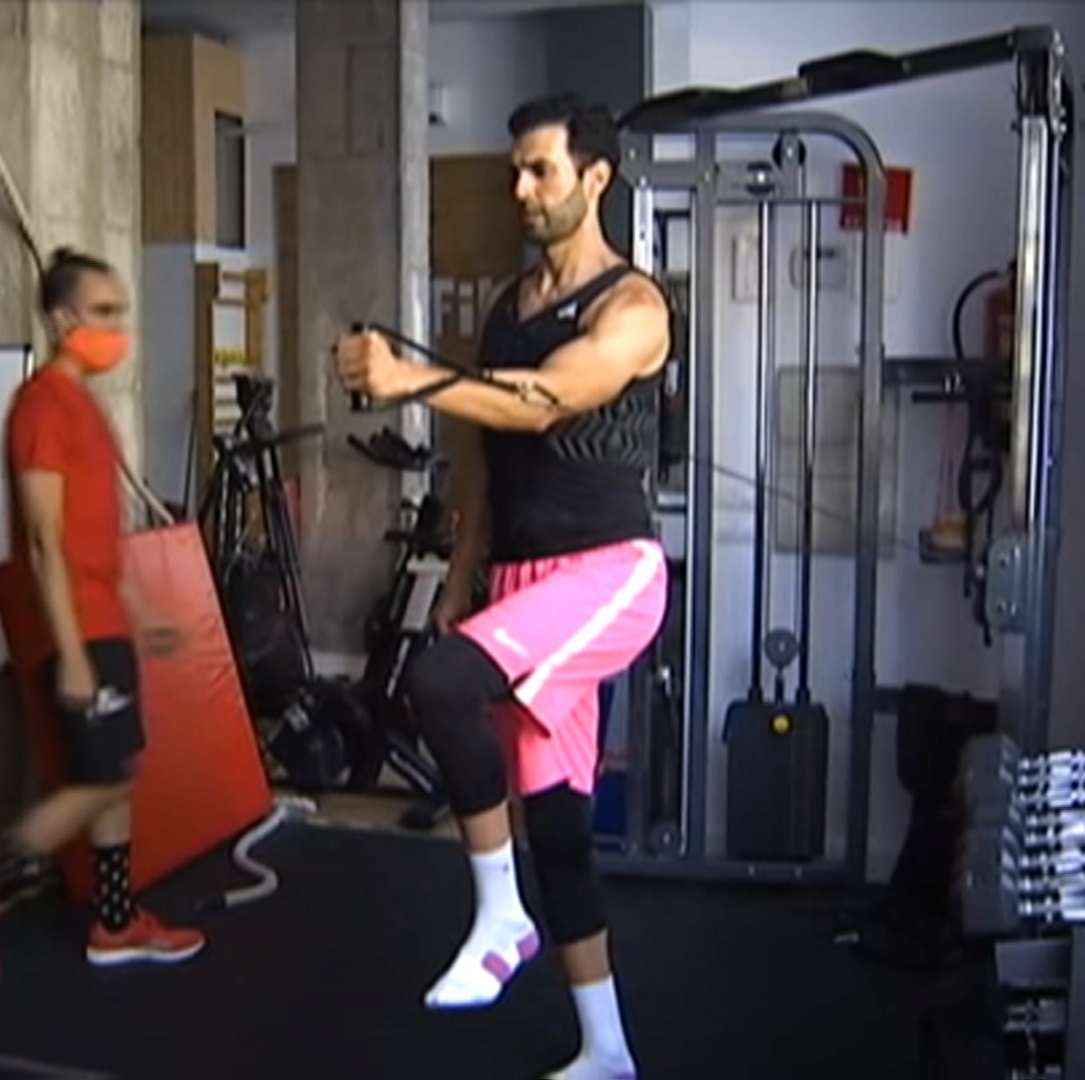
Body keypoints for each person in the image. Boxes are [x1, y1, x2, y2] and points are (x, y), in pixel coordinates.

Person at [335, 93, 670, 1080]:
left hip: (609, 573)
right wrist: (463, 571)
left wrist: (408, 381)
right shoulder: (506, 308)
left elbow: (548, 401)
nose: (521, 190)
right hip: (522, 578)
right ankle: (607, 1051)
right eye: (516, 172)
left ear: (594, 179)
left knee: (439, 685)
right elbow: (485, 451)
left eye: (542, 172)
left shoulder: (633, 306)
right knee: (559, 824)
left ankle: (498, 915)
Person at [0, 248, 206, 987]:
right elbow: (44, 540)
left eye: (119, 313)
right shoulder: (41, 406)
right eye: (103, 313)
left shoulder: (87, 409)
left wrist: (139, 613)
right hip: (73, 628)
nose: (116, 328)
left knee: (115, 774)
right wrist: (71, 654)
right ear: (62, 318)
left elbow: (96, 542)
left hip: (104, 621)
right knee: (96, 782)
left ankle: (114, 923)